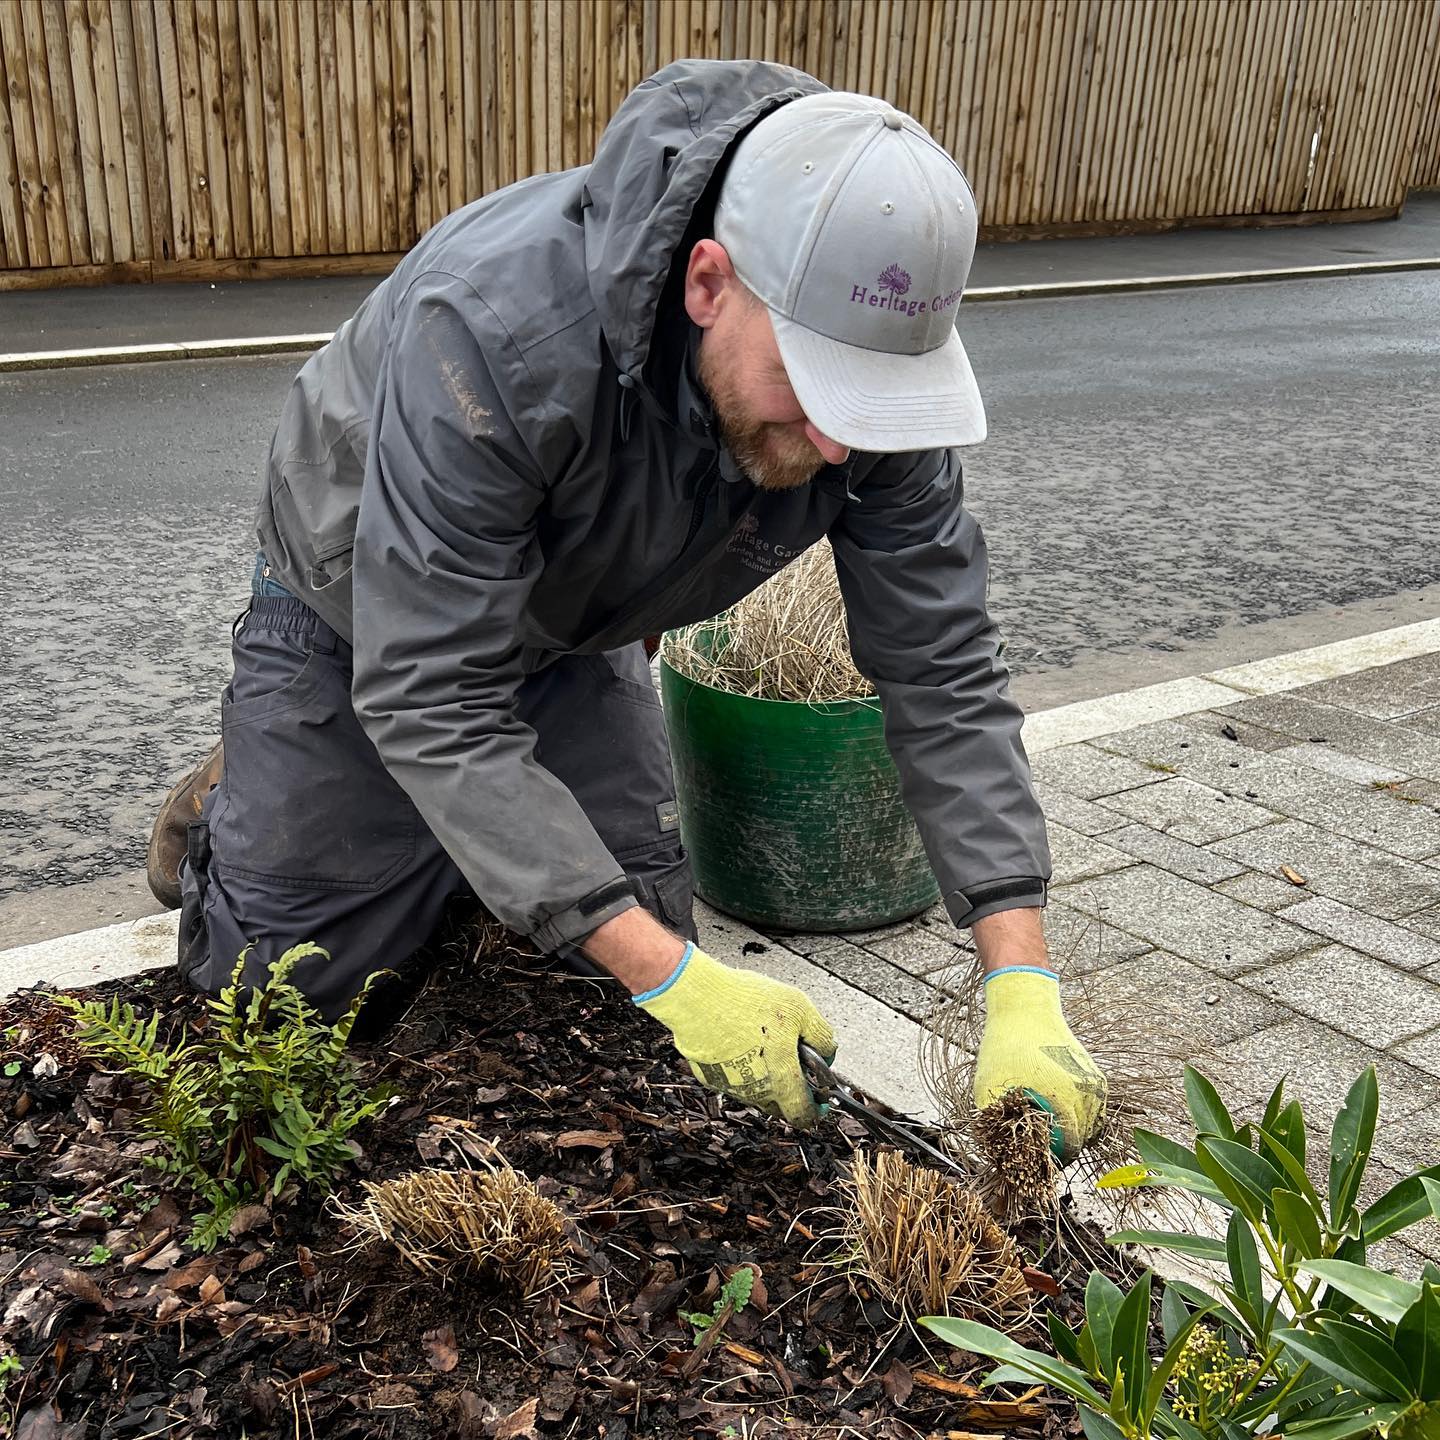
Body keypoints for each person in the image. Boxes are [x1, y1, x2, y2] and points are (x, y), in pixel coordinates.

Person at [148, 59, 1106, 1156]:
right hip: (360, 613)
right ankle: (248, 791)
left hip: (573, 627)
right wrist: (672, 979)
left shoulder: (871, 386)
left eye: (871, 402)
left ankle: (464, 827)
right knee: (283, 1007)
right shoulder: (500, 332)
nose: (844, 443)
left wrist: (1022, 979)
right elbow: (433, 689)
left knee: (631, 970)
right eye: (816, 389)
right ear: (710, 283)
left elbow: (941, 670)